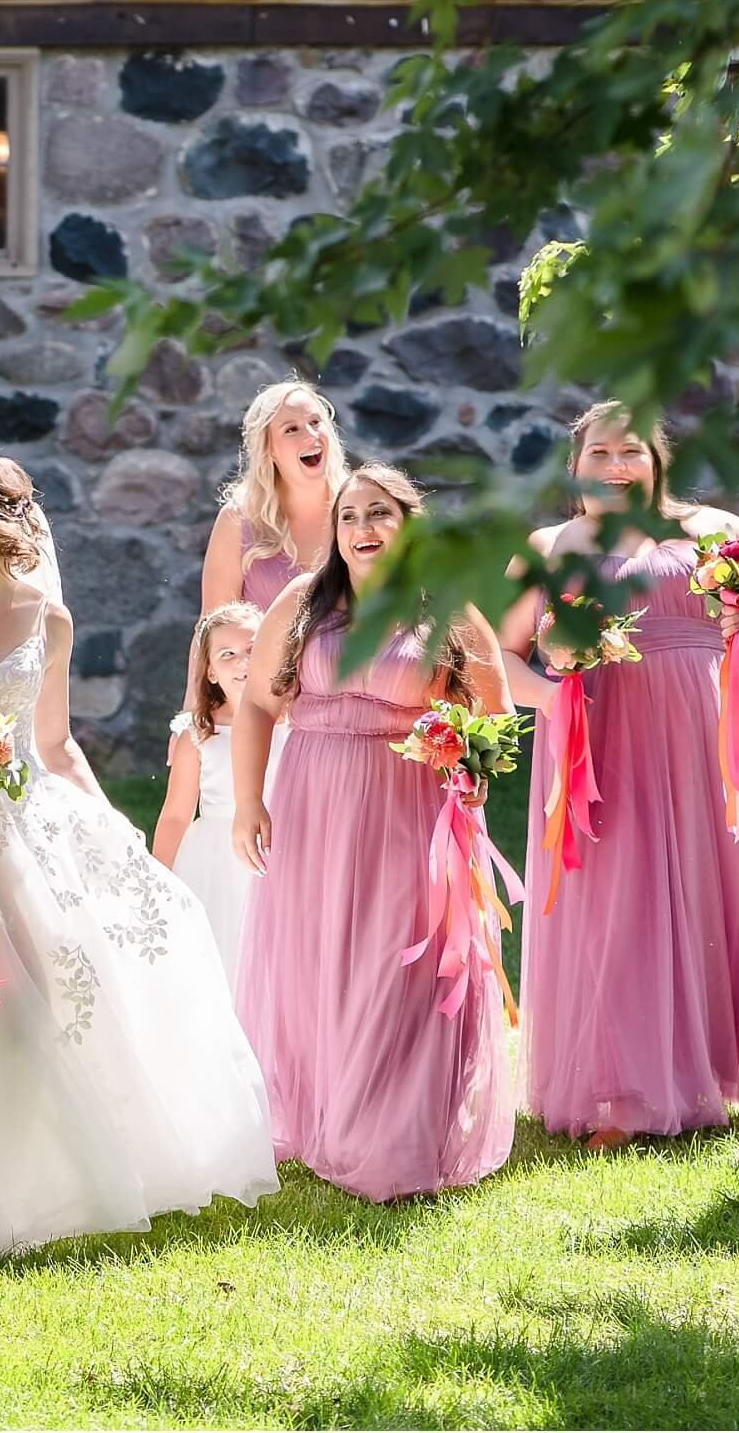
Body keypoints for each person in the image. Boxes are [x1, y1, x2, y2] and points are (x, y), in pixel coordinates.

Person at [0, 454, 278, 1258]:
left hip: (18, 820)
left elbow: (51, 740)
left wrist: (110, 827)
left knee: (45, 988)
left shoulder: (48, 618)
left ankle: (61, 1168)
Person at [494, 403, 739, 1149]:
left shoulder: (706, 529)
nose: (617, 466)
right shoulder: (552, 546)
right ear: (576, 462)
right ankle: (621, 1088)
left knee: (721, 889)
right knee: (617, 900)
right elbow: (499, 653)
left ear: (657, 462)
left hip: (703, 731)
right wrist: (555, 689)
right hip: (601, 739)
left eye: (633, 452)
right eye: (601, 452)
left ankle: (721, 1069)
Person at [233, 464, 517, 1201]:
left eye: (378, 513)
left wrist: (470, 765)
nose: (362, 528)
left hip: (407, 806)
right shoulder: (302, 602)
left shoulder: (444, 611)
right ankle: (330, 1115)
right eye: (349, 515)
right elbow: (260, 705)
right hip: (313, 801)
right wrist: (246, 803)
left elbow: (493, 706)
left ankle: (395, 1133)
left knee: (398, 966)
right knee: (325, 957)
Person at [151, 602, 264, 994]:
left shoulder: (299, 725)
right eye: (227, 654)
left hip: (281, 855)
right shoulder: (199, 734)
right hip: (216, 859)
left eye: (253, 649)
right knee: (221, 956)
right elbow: (176, 816)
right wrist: (157, 880)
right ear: (211, 671)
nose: (241, 662)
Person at [200, 380, 348, 613]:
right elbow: (211, 631)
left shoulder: (361, 510)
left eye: (315, 422)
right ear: (268, 449)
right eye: (291, 429)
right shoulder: (237, 522)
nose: (311, 435)